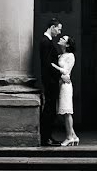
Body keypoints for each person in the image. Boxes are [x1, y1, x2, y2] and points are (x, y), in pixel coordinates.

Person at [38, 18, 63, 146]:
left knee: (50, 108)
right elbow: (48, 64)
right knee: (49, 109)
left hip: (50, 80)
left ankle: (47, 136)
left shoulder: (46, 41)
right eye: (58, 29)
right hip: (50, 81)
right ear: (52, 27)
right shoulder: (45, 42)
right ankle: (45, 137)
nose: (59, 32)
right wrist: (60, 74)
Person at [51, 35, 79, 146]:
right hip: (60, 84)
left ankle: (69, 137)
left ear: (67, 44)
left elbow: (66, 71)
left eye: (63, 39)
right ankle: (74, 136)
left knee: (67, 112)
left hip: (66, 86)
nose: (61, 39)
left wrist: (54, 66)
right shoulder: (61, 55)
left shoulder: (70, 56)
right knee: (61, 111)